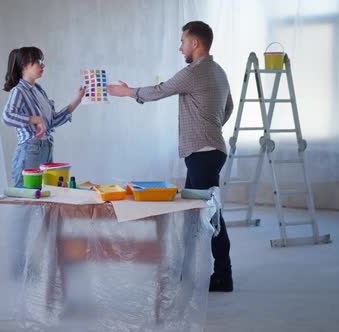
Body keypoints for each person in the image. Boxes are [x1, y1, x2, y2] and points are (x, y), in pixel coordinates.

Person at [107, 21, 234, 292]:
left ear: (196, 44)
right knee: (200, 213)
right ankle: (193, 269)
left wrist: (127, 92)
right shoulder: (219, 71)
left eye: (183, 42)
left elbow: (161, 90)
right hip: (209, 150)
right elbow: (229, 108)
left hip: (203, 153)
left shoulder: (195, 71)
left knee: (209, 216)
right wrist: (211, 126)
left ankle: (221, 275)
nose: (180, 48)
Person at [2, 47, 85, 187]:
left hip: (46, 148)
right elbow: (7, 117)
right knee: (27, 200)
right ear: (25, 65)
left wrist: (78, 99)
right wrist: (35, 119)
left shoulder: (39, 90)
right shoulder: (19, 91)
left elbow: (52, 121)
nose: (43, 65)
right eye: (38, 61)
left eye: (42, 61)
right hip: (30, 150)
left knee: (45, 197)